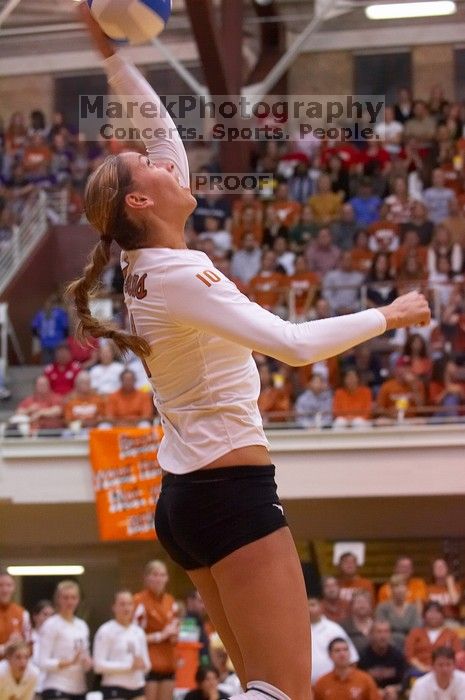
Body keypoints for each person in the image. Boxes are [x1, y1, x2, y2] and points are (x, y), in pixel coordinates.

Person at [68, 9, 431, 699]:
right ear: (144, 196)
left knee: (259, 687)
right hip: (227, 498)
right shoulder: (175, 275)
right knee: (284, 690)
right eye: (148, 163)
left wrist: (104, 47)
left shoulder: (147, 257)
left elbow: (158, 127)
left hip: (191, 502)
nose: (165, 154)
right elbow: (291, 346)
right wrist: (388, 313)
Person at [133, 561, 179, 700]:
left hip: (169, 663)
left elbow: (174, 635)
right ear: (146, 578)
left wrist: (174, 634)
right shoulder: (138, 601)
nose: (159, 578)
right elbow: (133, 636)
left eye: (162, 575)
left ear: (167, 578)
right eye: (155, 574)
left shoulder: (170, 601)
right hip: (149, 664)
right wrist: (161, 635)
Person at [39, 580, 92, 700]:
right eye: (65, 597)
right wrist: (68, 662)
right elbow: (42, 662)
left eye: (73, 597)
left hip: (79, 688)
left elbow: (85, 657)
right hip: (56, 686)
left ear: (78, 600)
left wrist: (88, 662)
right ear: (58, 599)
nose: (70, 601)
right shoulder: (51, 624)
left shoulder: (82, 625)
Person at [93, 590, 151, 700]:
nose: (126, 608)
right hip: (114, 688)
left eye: (129, 604)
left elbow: (147, 665)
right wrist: (128, 666)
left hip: (137, 687)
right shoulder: (105, 630)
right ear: (114, 607)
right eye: (122, 604)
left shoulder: (138, 632)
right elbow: (98, 666)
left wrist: (143, 665)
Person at [309, 598, 358, 685]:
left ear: (321, 607)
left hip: (334, 685)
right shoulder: (297, 631)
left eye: (312, 605)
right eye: (307, 605)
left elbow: (352, 659)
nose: (309, 608)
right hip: (306, 688)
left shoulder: (333, 629)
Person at [404, 602, 461, 675]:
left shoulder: (451, 634)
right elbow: (409, 656)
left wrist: (443, 668)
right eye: (430, 612)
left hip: (446, 671)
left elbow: (458, 655)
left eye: (437, 612)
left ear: (442, 616)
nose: (434, 615)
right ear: (424, 615)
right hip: (420, 671)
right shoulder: (415, 633)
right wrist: (422, 667)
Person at [313, 638, 379, 700]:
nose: (342, 654)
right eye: (337, 650)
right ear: (330, 655)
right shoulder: (321, 683)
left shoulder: (365, 680)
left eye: (345, 650)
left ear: (350, 653)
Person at [357, 621, 407, 699]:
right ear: (371, 635)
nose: (383, 636)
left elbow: (404, 683)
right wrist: (374, 690)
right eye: (379, 632)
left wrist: (394, 688)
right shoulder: (362, 656)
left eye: (386, 632)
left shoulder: (398, 655)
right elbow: (357, 683)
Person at [375, 574, 422, 651]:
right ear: (391, 590)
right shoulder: (382, 608)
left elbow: (416, 631)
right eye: (396, 586)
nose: (400, 590)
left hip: (410, 646)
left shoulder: (413, 609)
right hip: (387, 647)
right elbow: (380, 630)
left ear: (406, 589)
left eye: (402, 586)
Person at [0, 569, 31, 659]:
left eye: (9, 585)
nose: (5, 590)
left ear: (14, 588)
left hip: (14, 669)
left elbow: (29, 646)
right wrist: (7, 647)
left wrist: (20, 644)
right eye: (0, 585)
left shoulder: (22, 613)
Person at [30, 599, 54, 696]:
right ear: (35, 616)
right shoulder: (28, 637)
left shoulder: (56, 639)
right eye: (45, 614)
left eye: (52, 615)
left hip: (51, 688)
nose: (49, 618)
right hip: (33, 687)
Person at [341, 590, 375, 656]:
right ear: (352, 605)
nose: (362, 605)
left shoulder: (377, 625)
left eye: (365, 602)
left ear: (371, 605)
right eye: (359, 602)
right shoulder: (344, 627)